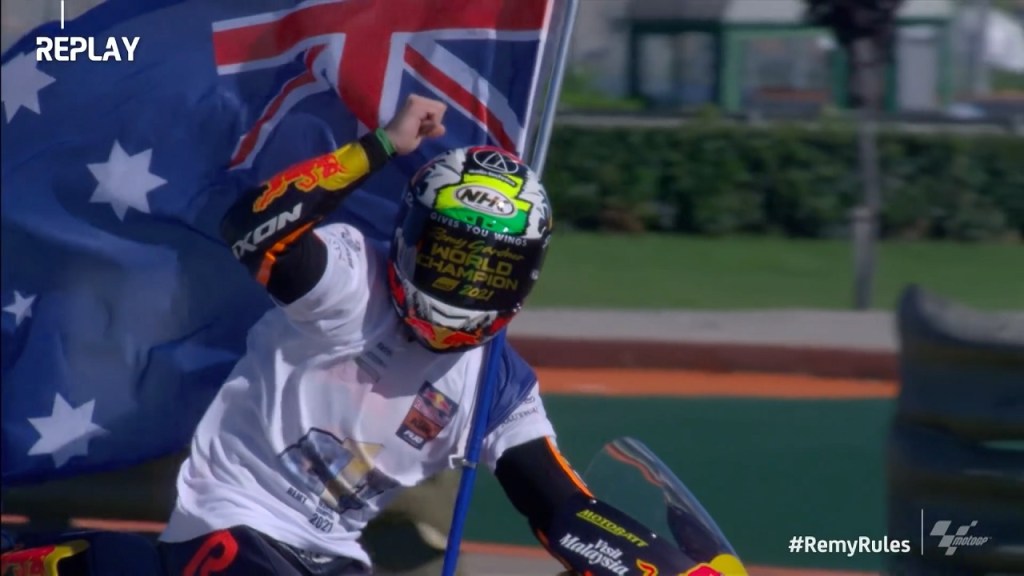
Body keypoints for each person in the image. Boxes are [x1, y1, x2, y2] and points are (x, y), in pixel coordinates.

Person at [157, 94, 683, 576]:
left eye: (491, 272)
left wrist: (677, 569)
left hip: (336, 558)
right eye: (450, 258)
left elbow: (561, 506)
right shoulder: (349, 279)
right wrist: (381, 145)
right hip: (228, 522)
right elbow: (250, 229)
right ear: (408, 236)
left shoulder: (498, 384)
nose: (466, 285)